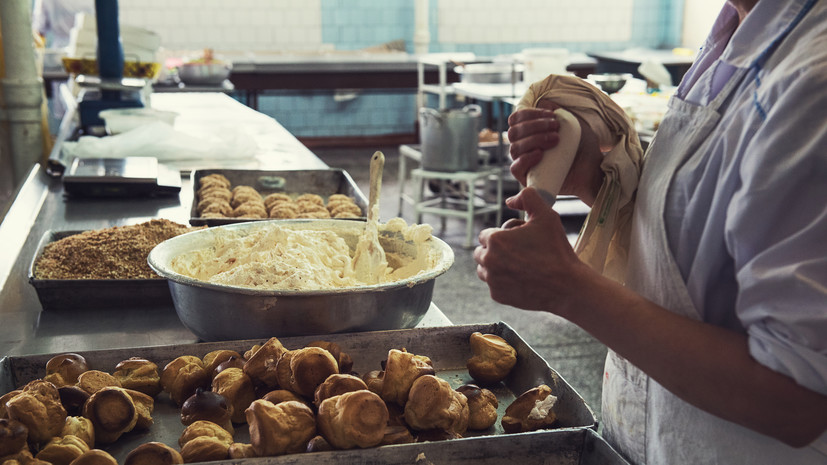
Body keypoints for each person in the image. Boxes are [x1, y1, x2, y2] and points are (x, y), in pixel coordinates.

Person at [473, 0, 827, 463]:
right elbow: (693, 245)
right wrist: (594, 177)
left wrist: (568, 288)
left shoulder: (811, 81)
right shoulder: (731, 35)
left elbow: (798, 398)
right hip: (650, 437)